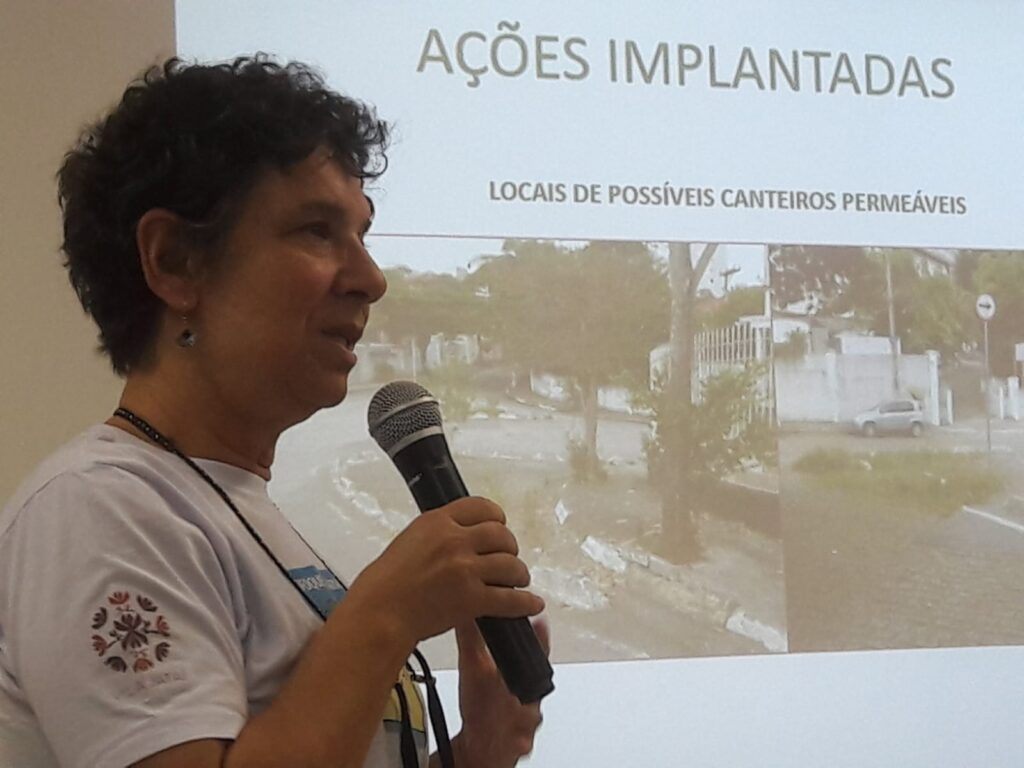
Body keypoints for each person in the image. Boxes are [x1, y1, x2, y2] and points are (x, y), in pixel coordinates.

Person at [0, 55, 547, 768]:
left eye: (363, 235)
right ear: (174, 262)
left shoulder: (231, 505)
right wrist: (386, 614)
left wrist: (476, 754)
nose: (370, 278)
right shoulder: (99, 509)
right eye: (318, 231)